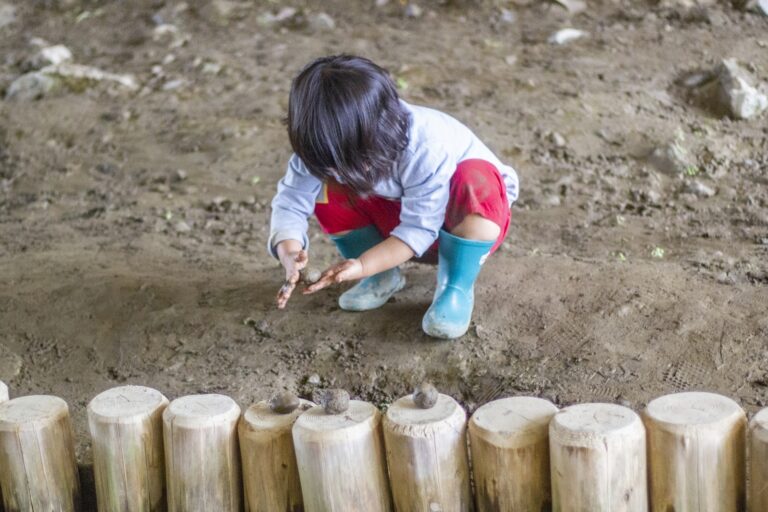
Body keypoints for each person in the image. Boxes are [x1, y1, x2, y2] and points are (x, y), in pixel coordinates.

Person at [269, 55, 518, 339]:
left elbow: (419, 228)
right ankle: (382, 276)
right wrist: (289, 254)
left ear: (381, 129)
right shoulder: (325, 147)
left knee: (474, 181)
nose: (338, 170)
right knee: (328, 190)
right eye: (330, 164)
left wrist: (363, 263)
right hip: (402, 220)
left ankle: (455, 286)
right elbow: (291, 201)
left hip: (459, 225)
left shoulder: (425, 145)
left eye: (352, 160)